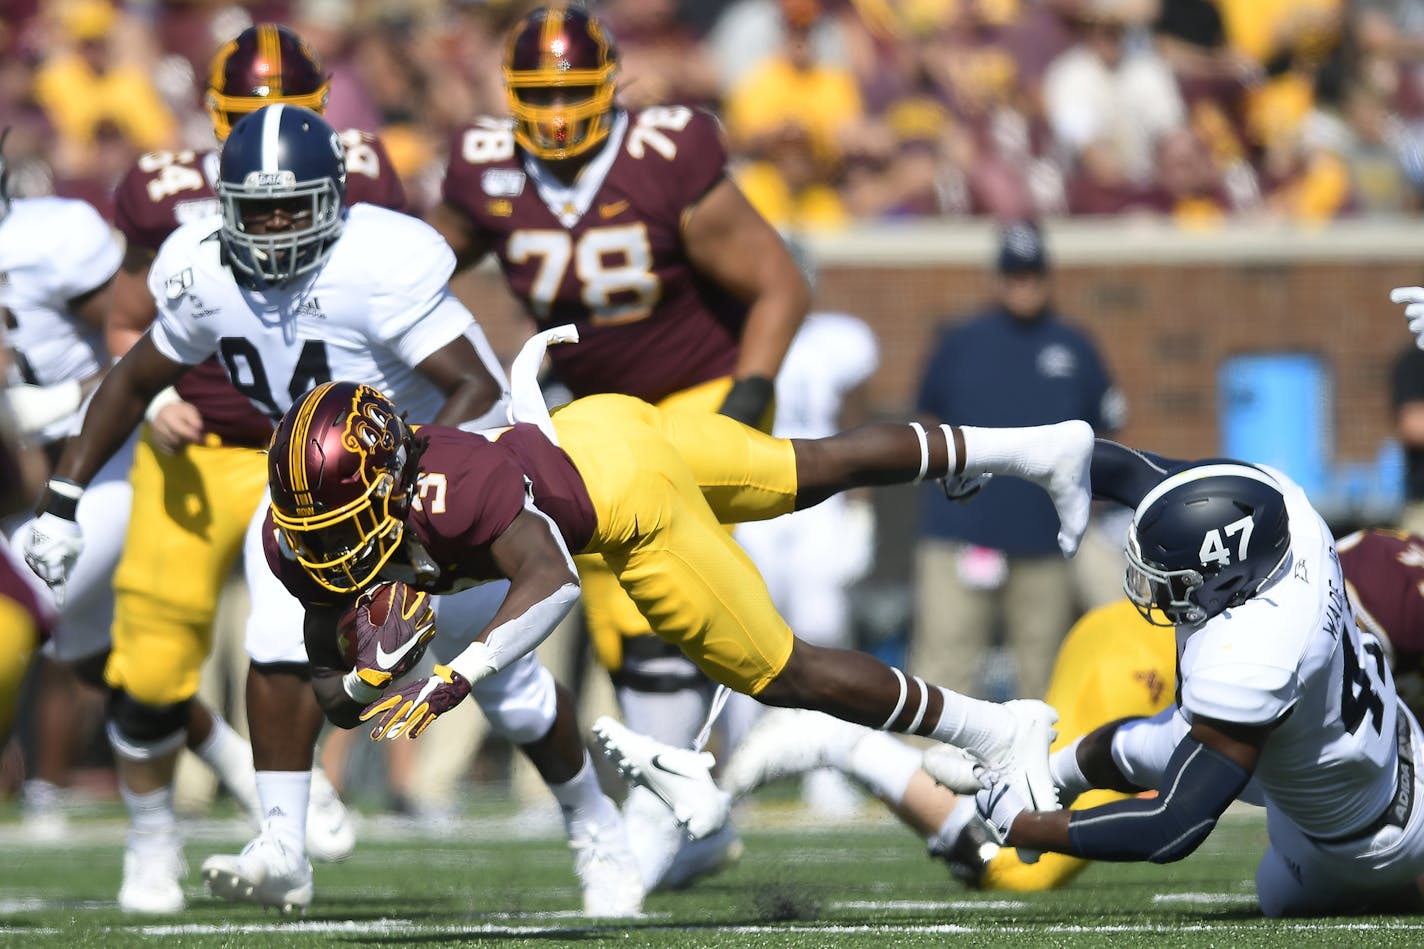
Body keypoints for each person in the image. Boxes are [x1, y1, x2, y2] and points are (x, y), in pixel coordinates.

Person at [26, 105, 643, 918]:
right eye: (259, 207)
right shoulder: (204, 272)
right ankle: (283, 840)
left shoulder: (374, 262)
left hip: (430, 486)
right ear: (226, 205)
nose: (276, 225)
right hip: (316, 500)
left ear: (332, 198)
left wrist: (402, 481)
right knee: (277, 643)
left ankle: (595, 829)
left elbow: (480, 384)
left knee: (513, 689)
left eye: (293, 204)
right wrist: (62, 499)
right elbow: (135, 379)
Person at [254, 370, 1100, 849]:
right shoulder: (298, 540)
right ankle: (1037, 447)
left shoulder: (449, 494)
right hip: (605, 427)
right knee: (807, 466)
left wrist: (455, 676)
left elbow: (550, 583)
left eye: (342, 519)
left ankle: (993, 728)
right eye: (311, 528)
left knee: (783, 670)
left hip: (627, 502)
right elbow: (325, 686)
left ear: (394, 478)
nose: (326, 546)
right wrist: (371, 677)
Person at [425, 4, 809, 890]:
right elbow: (417, 269)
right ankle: (683, 807)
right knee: (613, 608)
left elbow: (778, 280)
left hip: (698, 387)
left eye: (571, 92)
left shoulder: (663, 157)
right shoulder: (487, 170)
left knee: (660, 593)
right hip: (595, 406)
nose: (556, 115)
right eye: (539, 95)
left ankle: (670, 808)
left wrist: (747, 399)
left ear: (610, 87)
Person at [100, 21, 402, 908]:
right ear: (213, 111)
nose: (268, 126)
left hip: (321, 458)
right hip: (205, 449)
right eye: (246, 111)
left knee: (321, 637)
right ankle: (151, 837)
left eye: (287, 108)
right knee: (153, 665)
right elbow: (125, 320)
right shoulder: (168, 189)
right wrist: (154, 398)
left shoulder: (368, 177)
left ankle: (291, 807)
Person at [956, 446, 1424, 917]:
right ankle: (1043, 771)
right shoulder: (1290, 517)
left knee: (1278, 897)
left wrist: (1027, 828)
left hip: (1357, 844)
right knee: (1129, 746)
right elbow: (1135, 472)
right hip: (1378, 743)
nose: (1155, 591)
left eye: (1171, 579)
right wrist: (988, 452)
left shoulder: (1257, 662)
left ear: (1227, 576)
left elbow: (1171, 826)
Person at [913, 221, 1124, 702]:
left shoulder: (1075, 346)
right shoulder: (961, 341)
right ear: (997, 278)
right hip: (962, 534)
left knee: (1043, 672)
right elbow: (926, 423)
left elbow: (1103, 433)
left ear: (1047, 277)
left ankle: (1040, 777)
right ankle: (930, 776)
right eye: (1014, 275)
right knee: (945, 666)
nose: (1023, 285)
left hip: (1044, 536)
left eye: (1031, 275)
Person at [727, 240, 881, 820]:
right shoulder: (735, 335)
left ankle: (828, 768)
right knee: (740, 635)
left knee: (823, 630)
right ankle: (737, 769)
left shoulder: (840, 340)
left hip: (818, 501)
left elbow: (858, 424)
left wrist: (862, 509)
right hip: (751, 498)